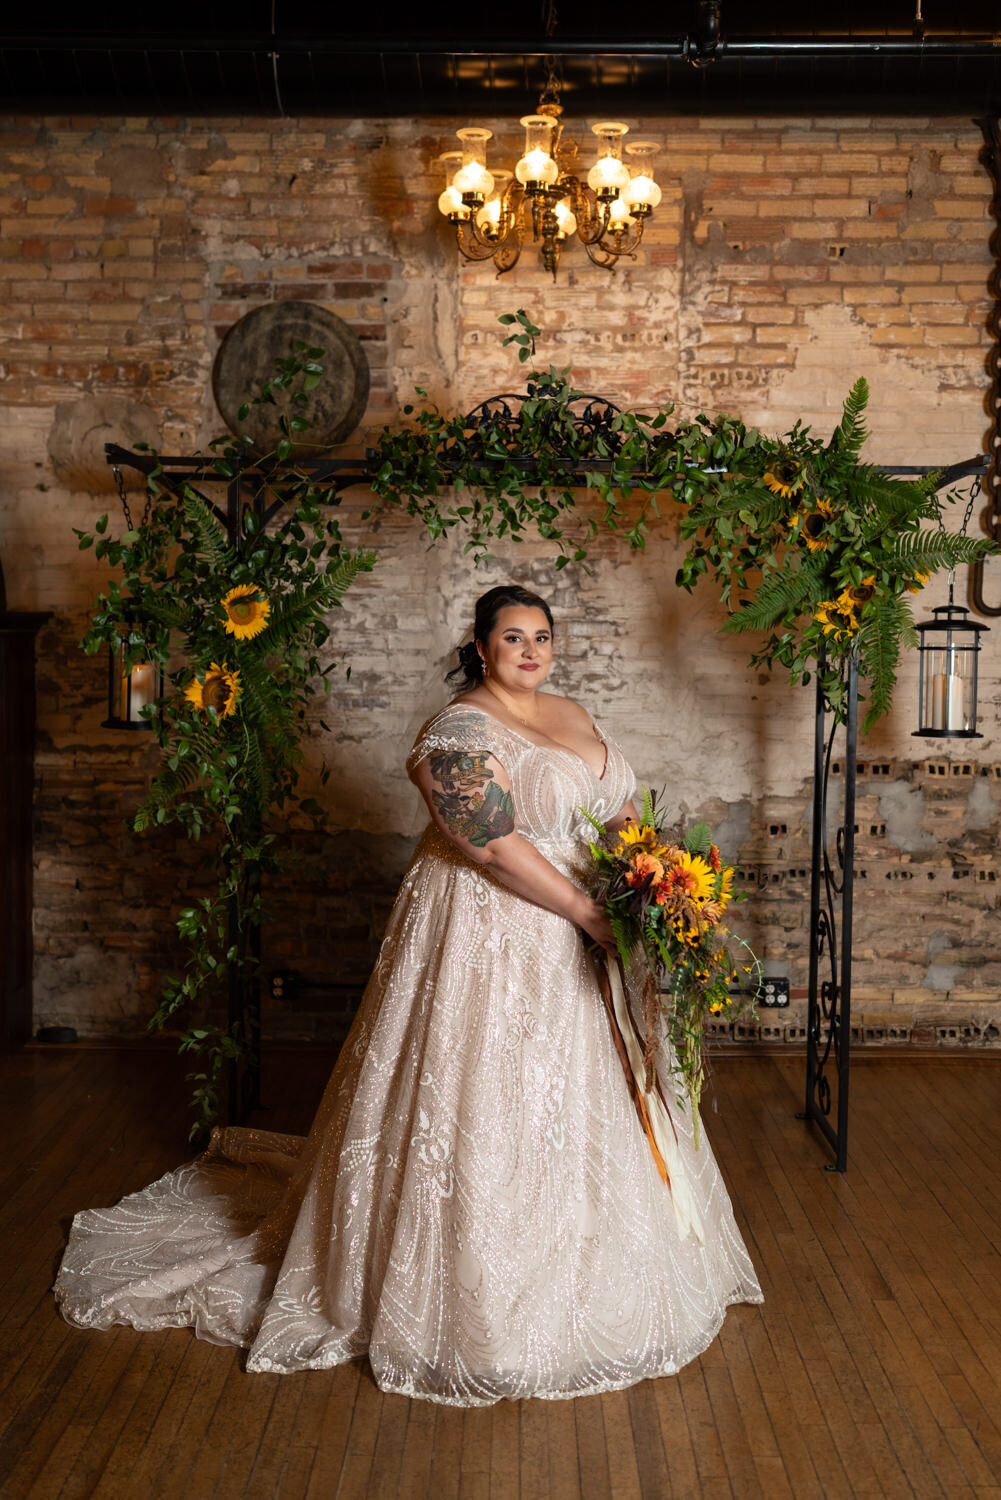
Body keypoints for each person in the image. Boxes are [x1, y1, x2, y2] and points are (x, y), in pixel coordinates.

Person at [54, 583, 762, 1405]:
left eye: (541, 637)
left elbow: (616, 816)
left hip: (592, 926)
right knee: (489, 1102)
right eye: (511, 638)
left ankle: (597, 1263)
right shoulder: (455, 731)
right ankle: (478, 1305)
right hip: (496, 933)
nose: (529, 651)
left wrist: (653, 884)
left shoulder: (572, 711)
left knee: (580, 1107)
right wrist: (585, 913)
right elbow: (489, 841)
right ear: (480, 645)